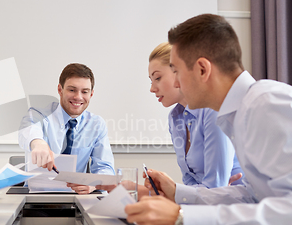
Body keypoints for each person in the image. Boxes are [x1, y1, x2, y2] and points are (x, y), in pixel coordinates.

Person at [125, 14, 292, 225]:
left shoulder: (266, 106)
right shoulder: (242, 112)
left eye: (176, 71)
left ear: (202, 70)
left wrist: (183, 219)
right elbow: (254, 196)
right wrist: (178, 193)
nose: (176, 83)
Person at [97, 43, 243, 198]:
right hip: (203, 208)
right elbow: (191, 183)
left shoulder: (213, 111)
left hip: (236, 210)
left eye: (158, 78)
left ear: (179, 72)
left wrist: (147, 192)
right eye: (151, 80)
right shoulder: (175, 118)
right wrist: (161, 191)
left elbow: (215, 188)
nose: (152, 88)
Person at [18, 63, 115, 194]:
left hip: (76, 198)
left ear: (91, 94)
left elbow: (106, 168)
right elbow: (28, 129)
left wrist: (94, 184)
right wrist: (38, 143)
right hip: (36, 199)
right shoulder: (39, 114)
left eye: (84, 92)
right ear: (60, 89)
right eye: (72, 90)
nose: (78, 97)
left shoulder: (96, 124)